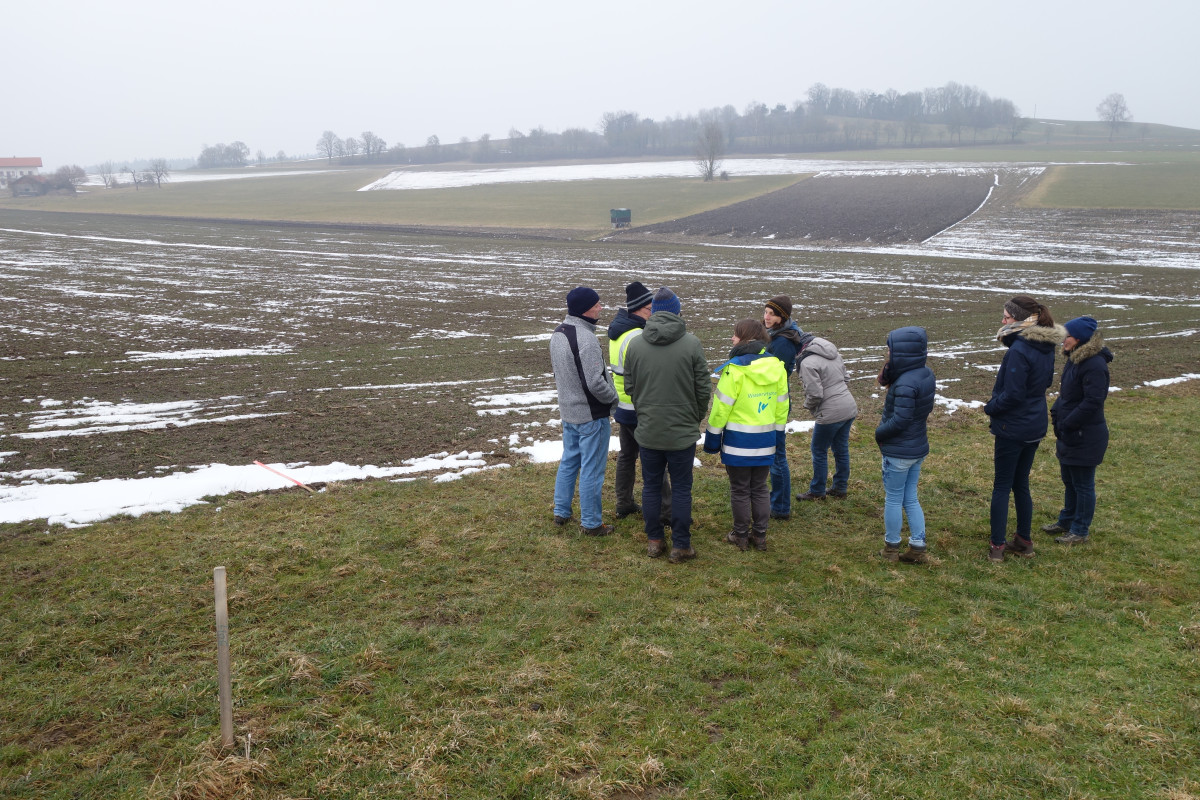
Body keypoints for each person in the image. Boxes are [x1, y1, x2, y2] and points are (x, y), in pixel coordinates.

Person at [624, 287, 712, 563]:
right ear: (677, 311)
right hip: (682, 433)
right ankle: (681, 545)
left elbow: (630, 387)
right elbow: (702, 388)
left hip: (649, 430)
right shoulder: (691, 343)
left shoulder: (635, 344)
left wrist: (646, 413)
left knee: (651, 486)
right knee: (682, 487)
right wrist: (694, 417)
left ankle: (654, 541)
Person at [983, 295, 1065, 562]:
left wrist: (991, 407)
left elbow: (1013, 394)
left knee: (1002, 486)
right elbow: (1043, 385)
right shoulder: (1044, 346)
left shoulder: (1019, 350)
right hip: (1034, 424)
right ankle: (1024, 541)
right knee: (1021, 485)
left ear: (1021, 320)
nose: (1002, 321)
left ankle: (997, 546)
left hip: (1013, 426)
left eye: (1006, 317)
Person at [703, 319, 790, 552]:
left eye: (735, 334)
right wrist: (778, 437)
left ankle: (740, 535)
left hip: (737, 443)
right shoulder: (777, 367)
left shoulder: (735, 368)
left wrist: (712, 439)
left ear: (745, 338)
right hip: (766, 441)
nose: (732, 338)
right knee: (760, 487)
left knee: (740, 489)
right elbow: (782, 407)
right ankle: (760, 536)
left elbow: (721, 408)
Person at [549, 286, 618, 537]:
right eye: (597, 304)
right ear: (585, 309)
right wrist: (613, 399)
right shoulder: (586, 338)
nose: (601, 307)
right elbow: (595, 382)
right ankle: (591, 523)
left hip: (569, 413)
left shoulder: (557, 333)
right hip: (591, 416)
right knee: (592, 469)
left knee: (569, 461)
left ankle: (561, 511)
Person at [607, 281, 670, 525]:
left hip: (623, 406)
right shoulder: (636, 335)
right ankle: (665, 512)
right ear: (639, 310)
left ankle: (623, 503)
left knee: (626, 456)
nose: (653, 313)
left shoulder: (618, 330)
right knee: (654, 459)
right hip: (640, 406)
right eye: (649, 309)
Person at [1046, 316, 1113, 545]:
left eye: (1068, 336)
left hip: (1085, 434)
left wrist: (1069, 422)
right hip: (1070, 432)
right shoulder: (1075, 360)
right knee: (1069, 480)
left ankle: (1080, 531)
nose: (1063, 340)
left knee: (1083, 484)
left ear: (1080, 339)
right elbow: (1067, 395)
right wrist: (1057, 414)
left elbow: (1093, 401)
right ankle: (1066, 521)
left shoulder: (1094, 364)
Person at [875, 327, 936, 563]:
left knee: (893, 497)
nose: (888, 351)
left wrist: (880, 433)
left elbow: (900, 420)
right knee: (910, 497)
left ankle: (891, 548)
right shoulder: (925, 374)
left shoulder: (904, 384)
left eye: (891, 348)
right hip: (917, 446)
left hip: (899, 451)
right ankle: (918, 546)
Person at [795, 333, 858, 501]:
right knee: (841, 448)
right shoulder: (834, 354)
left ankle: (817, 491)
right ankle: (840, 488)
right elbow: (846, 378)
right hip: (849, 406)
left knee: (819, 450)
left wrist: (807, 405)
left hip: (830, 413)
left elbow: (815, 394)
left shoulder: (807, 363)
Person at [763, 295, 807, 519]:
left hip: (775, 403)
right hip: (769, 401)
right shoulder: (775, 335)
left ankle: (780, 507)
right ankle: (774, 500)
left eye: (772, 313)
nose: (767, 317)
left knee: (777, 455)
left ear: (783, 317)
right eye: (766, 312)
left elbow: (771, 375)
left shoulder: (783, 342)